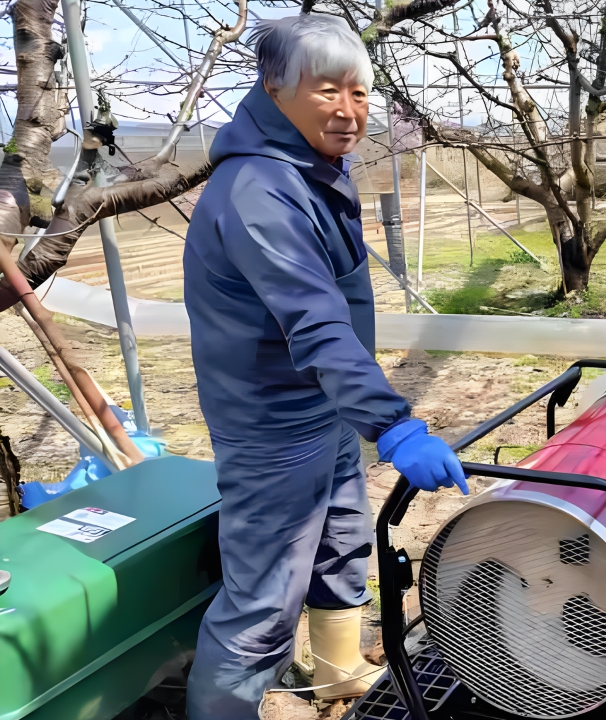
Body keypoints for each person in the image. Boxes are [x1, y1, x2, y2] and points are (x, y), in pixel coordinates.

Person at [182, 15, 466, 719]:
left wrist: (362, 413)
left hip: (326, 406)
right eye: (327, 91)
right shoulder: (259, 190)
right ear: (273, 87)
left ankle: (338, 676)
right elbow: (316, 323)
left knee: (342, 545)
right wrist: (394, 425)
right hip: (273, 425)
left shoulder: (311, 169)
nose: (348, 111)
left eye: (360, 93)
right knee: (262, 604)